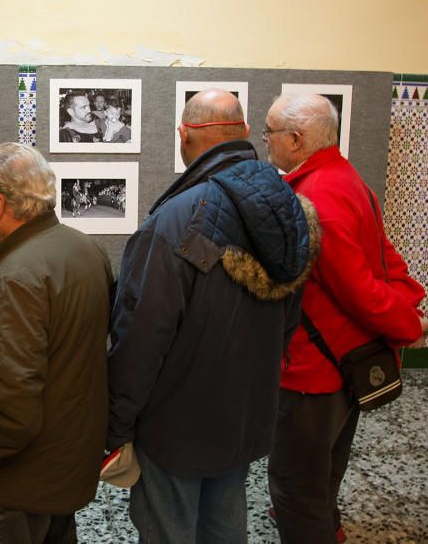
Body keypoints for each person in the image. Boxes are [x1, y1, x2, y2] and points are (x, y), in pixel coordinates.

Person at [107, 89, 317, 543]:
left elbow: (141, 338)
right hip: (244, 417)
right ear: (243, 134)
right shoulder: (289, 209)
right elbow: (288, 318)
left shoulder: (175, 222)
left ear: (185, 138)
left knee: (169, 531)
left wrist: (116, 423)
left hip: (175, 428)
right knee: (225, 527)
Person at [263, 94, 428, 543]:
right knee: (326, 466)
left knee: (294, 483)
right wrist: (409, 307)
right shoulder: (346, 177)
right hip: (346, 362)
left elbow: (358, 286)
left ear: (296, 139)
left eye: (270, 134)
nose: (266, 143)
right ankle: (329, 526)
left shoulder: (314, 195)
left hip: (316, 371)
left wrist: (407, 323)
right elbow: (386, 257)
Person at [0, 142, 114, 544]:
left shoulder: (17, 277)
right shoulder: (87, 249)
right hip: (68, 460)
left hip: (22, 477)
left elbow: (11, 405)